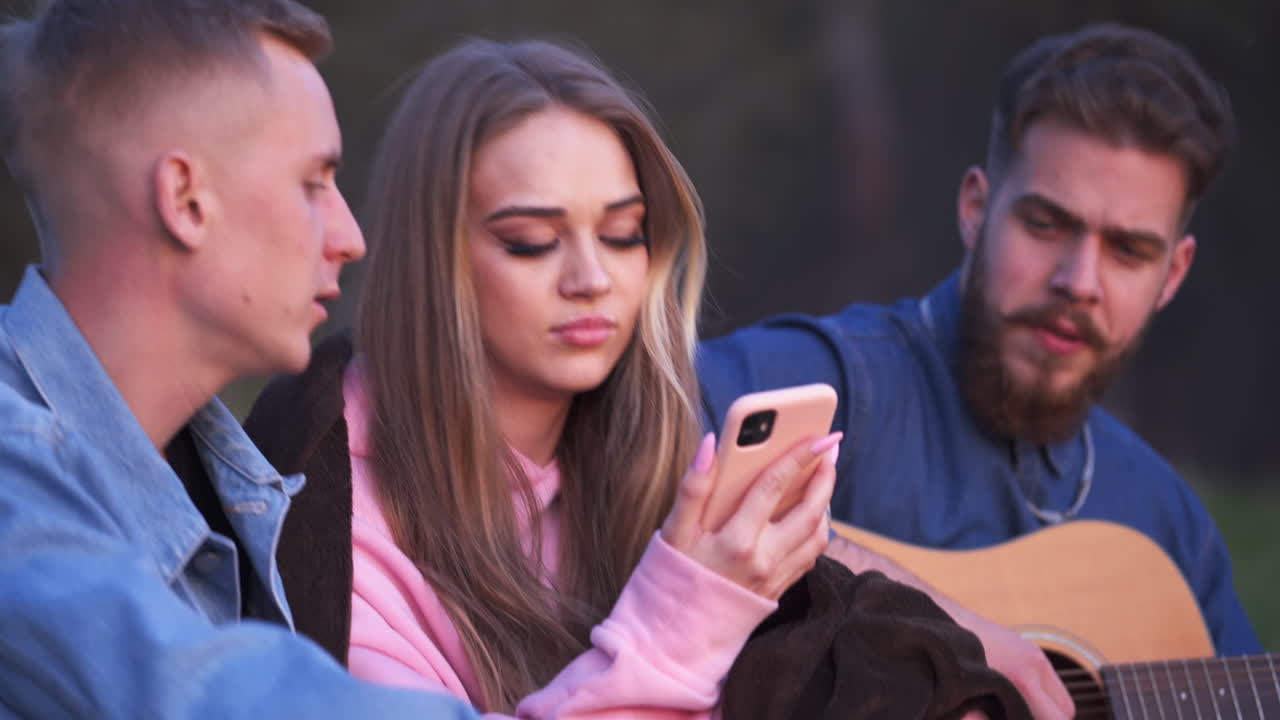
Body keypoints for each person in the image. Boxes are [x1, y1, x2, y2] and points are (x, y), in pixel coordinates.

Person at [244, 37, 840, 718]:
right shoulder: (326, 510)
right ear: (433, 261)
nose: (592, 281)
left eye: (623, 234)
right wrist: (690, 612)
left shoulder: (658, 454)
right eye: (531, 241)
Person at [698, 22, 1261, 719]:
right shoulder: (831, 381)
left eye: (1128, 251)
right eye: (1047, 224)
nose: (1079, 280)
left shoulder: (1167, 529)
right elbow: (629, 457)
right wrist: (954, 635)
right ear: (975, 208)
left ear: (1172, 274)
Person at [0, 1, 500, 717]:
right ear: (185, 198)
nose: (350, 236)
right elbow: (204, 693)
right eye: (313, 183)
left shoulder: (235, 488)